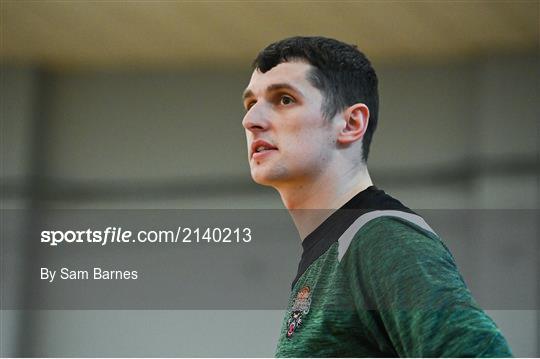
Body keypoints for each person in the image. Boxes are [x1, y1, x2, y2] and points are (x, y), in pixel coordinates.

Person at [241, 36, 512, 357]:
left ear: (351, 123)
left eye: (284, 99)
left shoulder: (381, 237)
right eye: (250, 104)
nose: (251, 121)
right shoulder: (333, 250)